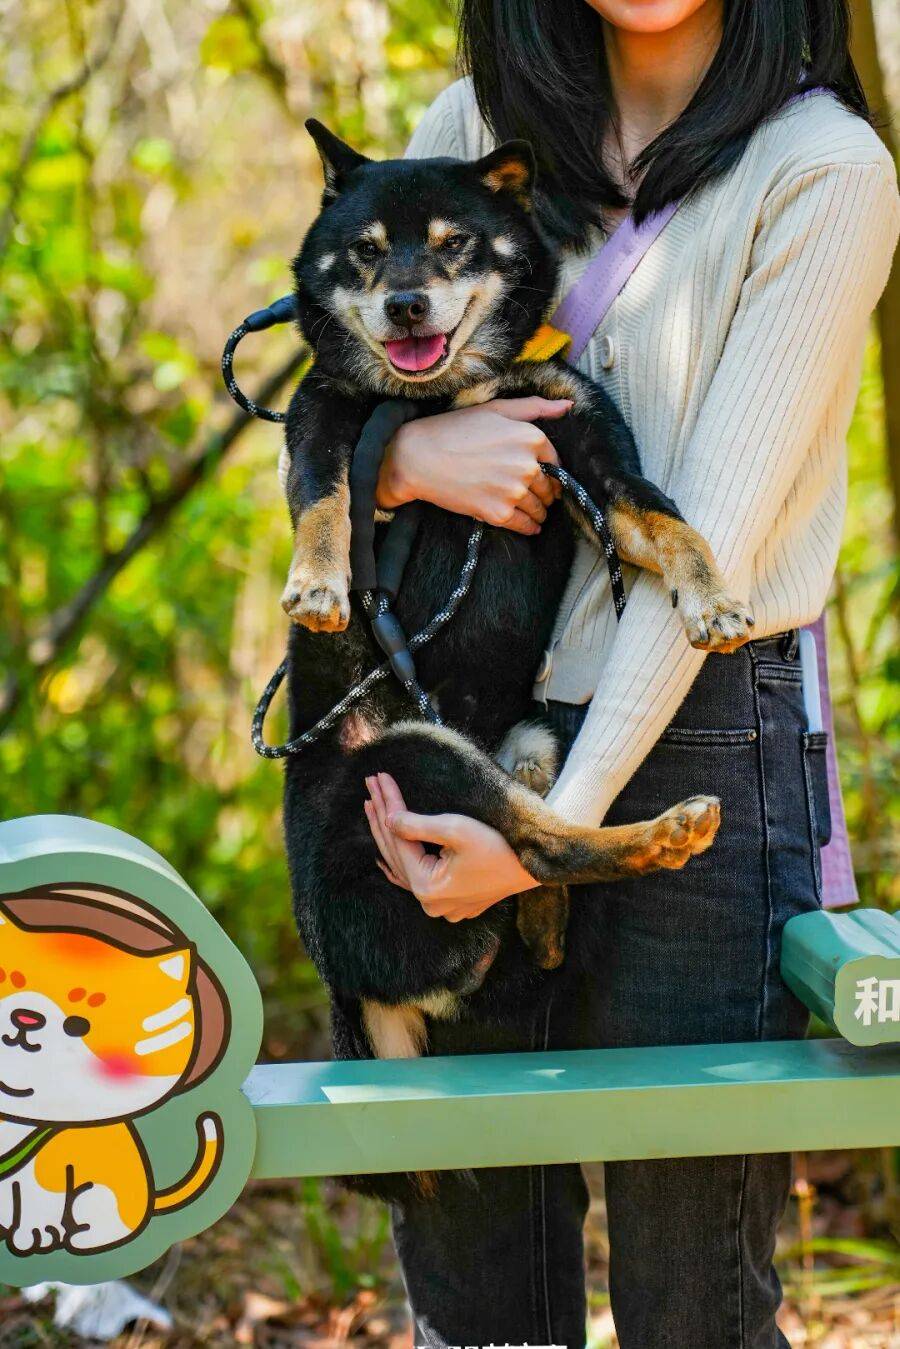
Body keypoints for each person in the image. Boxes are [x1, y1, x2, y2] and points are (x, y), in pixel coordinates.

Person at [363, 1, 900, 1344]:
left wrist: (549, 835)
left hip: (701, 752)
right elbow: (337, 387)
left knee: (689, 1292)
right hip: (462, 719)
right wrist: (396, 460)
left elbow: (699, 558)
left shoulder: (823, 172)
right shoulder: (474, 130)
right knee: (477, 1272)